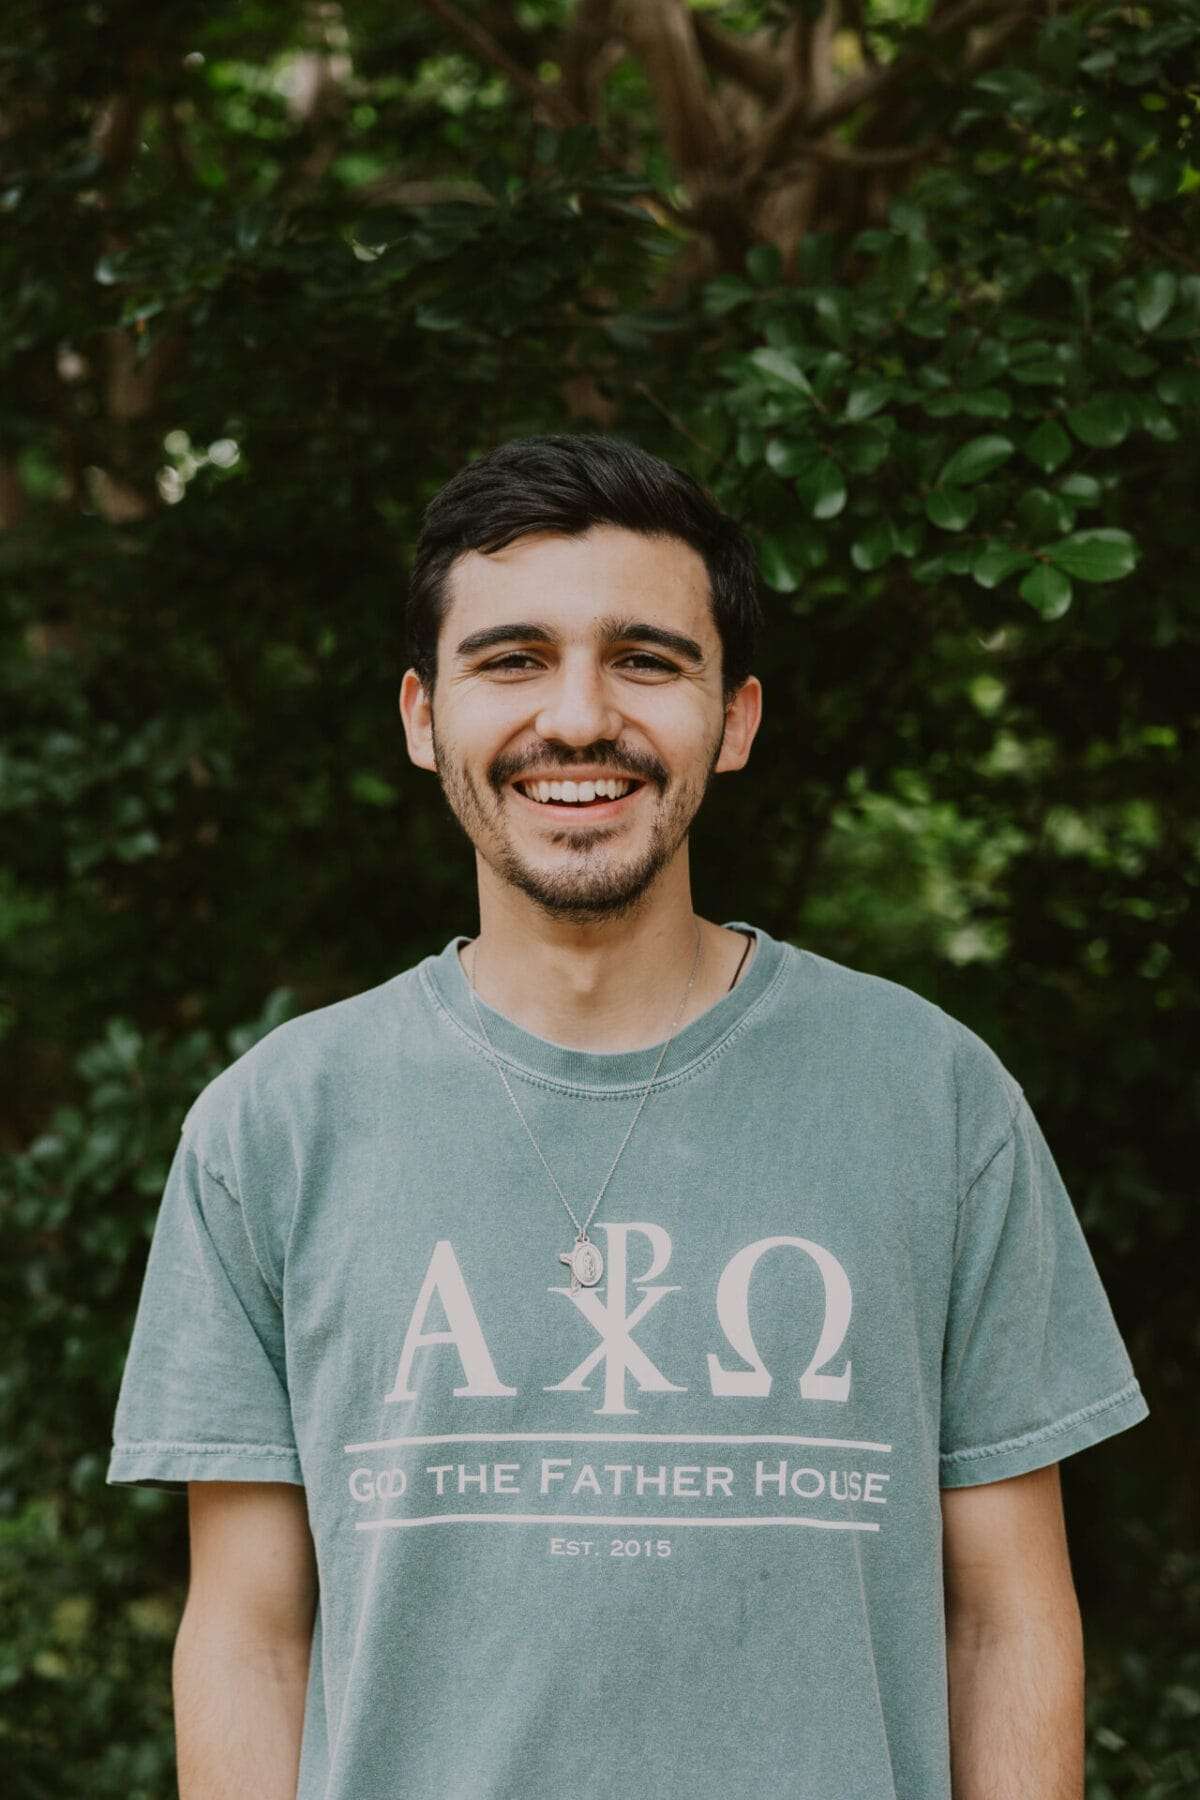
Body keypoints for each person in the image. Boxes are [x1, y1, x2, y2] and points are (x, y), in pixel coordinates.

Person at [107, 433, 1149, 1800]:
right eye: (513, 659)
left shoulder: (935, 1098)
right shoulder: (274, 1130)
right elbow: (252, 1636)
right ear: (423, 717)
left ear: (738, 717)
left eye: (648, 660)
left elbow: (1001, 1615)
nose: (582, 717)